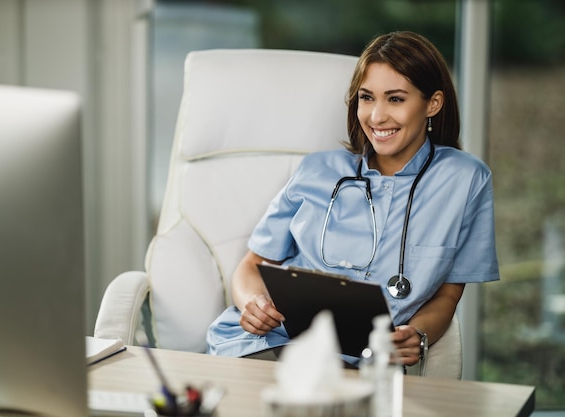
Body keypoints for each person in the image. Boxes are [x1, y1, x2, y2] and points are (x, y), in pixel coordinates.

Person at [205, 31, 500, 367]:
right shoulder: (317, 170)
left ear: (432, 103)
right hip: (268, 345)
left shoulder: (465, 180)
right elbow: (251, 266)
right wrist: (252, 305)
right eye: (366, 97)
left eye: (396, 99)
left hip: (363, 362)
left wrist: (417, 334)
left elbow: (448, 293)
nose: (376, 117)